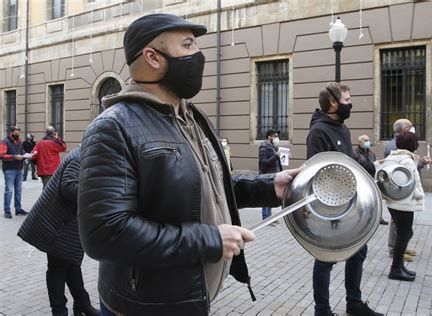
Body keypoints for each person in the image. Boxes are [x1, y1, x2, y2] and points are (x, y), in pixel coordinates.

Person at [77, 13, 300, 315]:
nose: (199, 56)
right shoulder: (113, 128)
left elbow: (204, 185)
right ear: (153, 57)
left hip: (190, 299)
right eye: (188, 45)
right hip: (144, 307)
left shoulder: (190, 116)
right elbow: (105, 234)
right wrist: (209, 240)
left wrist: (269, 187)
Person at [306, 82, 382, 316]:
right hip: (329, 206)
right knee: (326, 257)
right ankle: (322, 310)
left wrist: (371, 166)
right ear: (333, 102)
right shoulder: (318, 131)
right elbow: (314, 171)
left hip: (350, 202)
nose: (350, 104)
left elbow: (351, 164)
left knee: (358, 251)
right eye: (347, 100)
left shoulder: (343, 128)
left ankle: (354, 303)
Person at [17, 147, 100, 316]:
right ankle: (60, 310)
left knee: (70, 263)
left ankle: (82, 305)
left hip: (63, 225)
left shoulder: (86, 155)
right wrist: (98, 193)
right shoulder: (80, 157)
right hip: (56, 226)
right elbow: (68, 186)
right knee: (58, 267)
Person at [384, 119, 431, 261]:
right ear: (403, 129)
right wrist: (420, 162)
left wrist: (420, 162)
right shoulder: (394, 146)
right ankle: (395, 250)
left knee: (402, 227)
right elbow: (401, 170)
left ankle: (400, 247)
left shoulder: (400, 143)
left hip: (403, 192)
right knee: (398, 225)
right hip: (399, 193)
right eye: (410, 127)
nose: (413, 129)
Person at [384, 131, 425, 281]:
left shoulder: (393, 156)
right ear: (412, 145)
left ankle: (400, 266)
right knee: (403, 236)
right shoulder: (407, 160)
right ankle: (395, 269)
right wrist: (418, 196)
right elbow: (412, 183)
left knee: (403, 235)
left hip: (394, 202)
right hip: (404, 203)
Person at [354, 134, 388, 225]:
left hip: (372, 179)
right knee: (362, 201)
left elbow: (373, 166)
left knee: (376, 199)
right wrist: (375, 164)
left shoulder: (371, 153)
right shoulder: (355, 153)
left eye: (368, 140)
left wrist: (377, 165)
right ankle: (361, 219)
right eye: (365, 140)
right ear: (359, 142)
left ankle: (378, 218)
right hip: (361, 180)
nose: (367, 142)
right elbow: (360, 166)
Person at [0, 126, 28, 218]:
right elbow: (1, 155)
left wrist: (26, 155)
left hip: (19, 168)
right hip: (9, 169)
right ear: (11, 133)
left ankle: (18, 209)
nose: (17, 135)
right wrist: (14, 156)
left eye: (19, 134)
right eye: (16, 134)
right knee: (9, 191)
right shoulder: (4, 141)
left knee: (18, 191)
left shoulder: (19, 141)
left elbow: (22, 151)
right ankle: (7, 211)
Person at [258, 129, 282, 220]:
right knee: (266, 197)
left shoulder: (274, 147)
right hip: (266, 176)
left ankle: (270, 218)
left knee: (271, 196)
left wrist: (284, 156)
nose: (277, 138)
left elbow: (277, 161)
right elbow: (263, 163)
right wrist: (276, 156)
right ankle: (266, 217)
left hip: (274, 175)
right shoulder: (263, 147)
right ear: (269, 137)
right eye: (275, 136)